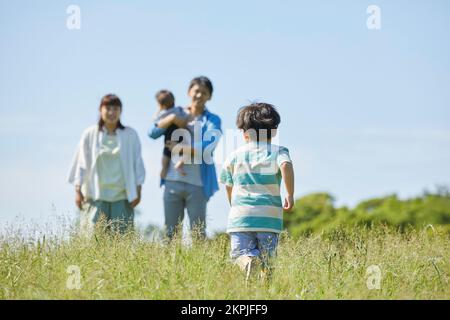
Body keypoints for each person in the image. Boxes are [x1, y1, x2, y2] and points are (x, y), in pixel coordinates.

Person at [219, 102, 295, 281]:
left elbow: (228, 184)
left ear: (244, 133)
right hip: (269, 218)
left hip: (241, 217)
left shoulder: (234, 155)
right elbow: (286, 165)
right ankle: (265, 292)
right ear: (274, 130)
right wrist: (290, 194)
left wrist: (233, 204)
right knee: (268, 262)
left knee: (240, 254)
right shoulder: (278, 151)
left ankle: (247, 262)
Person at [148, 76, 222, 240]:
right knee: (170, 235)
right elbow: (152, 133)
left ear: (209, 96)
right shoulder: (176, 112)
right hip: (172, 181)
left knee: (198, 235)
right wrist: (172, 119)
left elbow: (209, 146)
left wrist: (181, 148)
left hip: (198, 185)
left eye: (204, 93)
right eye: (196, 91)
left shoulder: (212, 120)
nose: (199, 95)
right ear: (189, 92)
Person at [67, 94, 146, 235]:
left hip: (122, 197)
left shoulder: (130, 134)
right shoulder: (90, 134)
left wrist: (138, 191)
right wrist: (78, 191)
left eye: (115, 108)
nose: (111, 112)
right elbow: (81, 163)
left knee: (122, 242)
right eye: (107, 108)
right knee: (93, 241)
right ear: (100, 110)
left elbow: (137, 163)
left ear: (120, 111)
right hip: (96, 196)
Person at [152, 90, 188, 185]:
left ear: (160, 105)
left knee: (164, 162)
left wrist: (158, 111)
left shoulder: (164, 114)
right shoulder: (179, 110)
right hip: (180, 138)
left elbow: (156, 121)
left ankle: (162, 177)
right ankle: (179, 165)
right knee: (186, 153)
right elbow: (186, 115)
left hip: (168, 142)